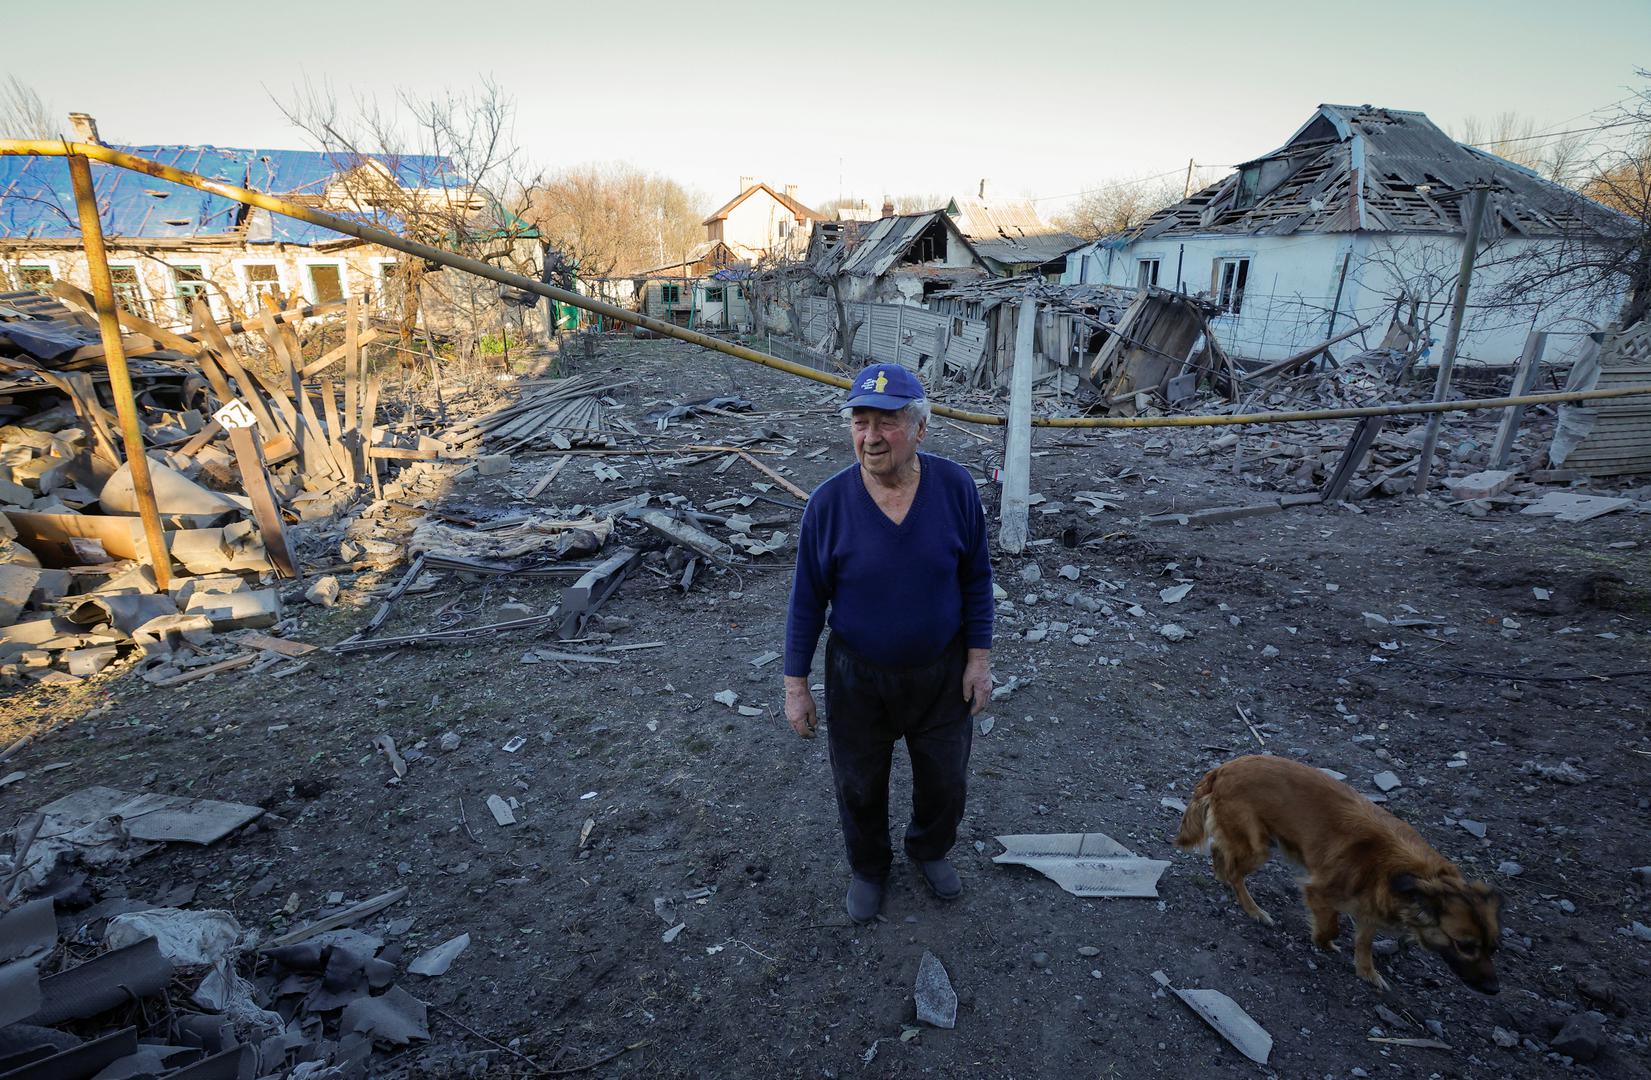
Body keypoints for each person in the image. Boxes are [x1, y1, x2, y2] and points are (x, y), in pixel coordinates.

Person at [784, 363, 993, 924]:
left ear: (920, 428)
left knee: (945, 779)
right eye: (861, 422)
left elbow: (976, 579)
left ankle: (929, 848)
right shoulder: (828, 504)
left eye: (887, 422)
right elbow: (806, 601)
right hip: (858, 676)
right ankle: (869, 867)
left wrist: (978, 660)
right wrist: (796, 685)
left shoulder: (955, 488)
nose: (871, 437)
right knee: (858, 782)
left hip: (941, 671)